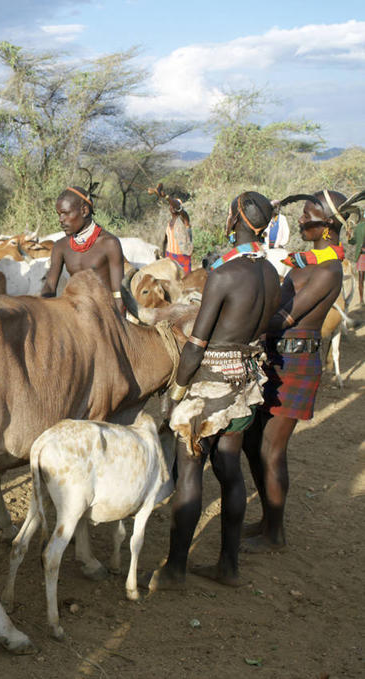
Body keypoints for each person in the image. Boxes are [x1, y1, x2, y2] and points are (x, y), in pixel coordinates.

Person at [149, 191, 282, 590]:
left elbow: (196, 344)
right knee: (230, 470)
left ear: (234, 218)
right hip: (245, 382)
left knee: (190, 471)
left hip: (208, 385)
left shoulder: (224, 275)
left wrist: (175, 392)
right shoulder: (271, 273)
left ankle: (174, 569)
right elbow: (257, 330)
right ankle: (229, 566)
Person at [242, 189, 363, 552]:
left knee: (271, 449)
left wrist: (244, 317)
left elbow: (284, 317)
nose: (300, 220)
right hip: (278, 356)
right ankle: (266, 520)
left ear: (327, 225)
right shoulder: (309, 262)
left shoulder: (327, 271)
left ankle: (274, 534)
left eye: (307, 214)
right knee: (252, 442)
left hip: (296, 361)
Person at [41, 184, 125, 314]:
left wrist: (118, 329)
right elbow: (50, 287)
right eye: (59, 214)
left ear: (84, 211)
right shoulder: (61, 246)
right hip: (76, 316)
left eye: (65, 213)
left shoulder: (109, 244)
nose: (60, 220)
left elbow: (119, 296)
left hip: (105, 315)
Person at [162, 196, 193, 273]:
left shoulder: (184, 219)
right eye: (171, 205)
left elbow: (179, 208)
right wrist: (163, 256)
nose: (173, 207)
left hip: (182, 256)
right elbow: (165, 241)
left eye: (175, 205)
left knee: (185, 281)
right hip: (170, 256)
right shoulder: (169, 223)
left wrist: (166, 196)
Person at [349, 216, 365, 306]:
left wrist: (349, 236)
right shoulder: (359, 227)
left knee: (361, 279)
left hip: (361, 255)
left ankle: (361, 301)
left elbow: (352, 241)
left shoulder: (358, 227)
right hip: (362, 255)